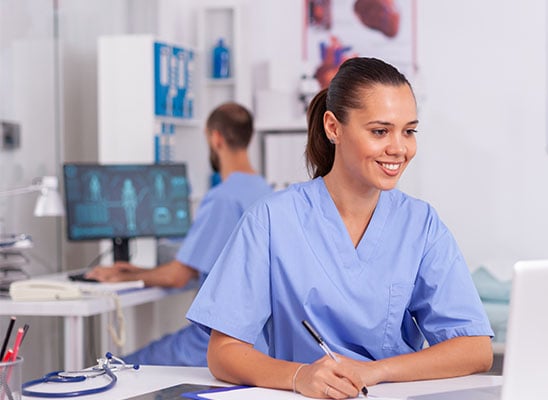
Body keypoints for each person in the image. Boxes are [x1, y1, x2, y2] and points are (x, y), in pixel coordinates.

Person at [186, 57, 494, 398]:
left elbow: (475, 348)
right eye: (380, 131)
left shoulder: (420, 225)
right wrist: (299, 376)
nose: (399, 148)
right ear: (334, 128)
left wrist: (374, 371)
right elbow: (223, 352)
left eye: (409, 131)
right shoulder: (272, 220)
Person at [85, 102, 273, 366]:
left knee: (118, 366)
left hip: (218, 343)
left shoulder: (223, 199)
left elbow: (177, 276)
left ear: (215, 137)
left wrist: (127, 274)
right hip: (258, 341)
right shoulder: (264, 190)